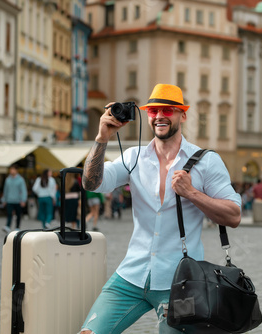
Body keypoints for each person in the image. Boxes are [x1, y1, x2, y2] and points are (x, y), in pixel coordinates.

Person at [79, 83, 241, 334]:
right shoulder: (134, 158)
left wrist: (192, 193)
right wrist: (102, 138)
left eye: (168, 109)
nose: (160, 116)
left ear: (182, 115)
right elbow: (91, 183)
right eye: (154, 111)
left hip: (182, 284)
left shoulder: (206, 161)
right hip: (130, 276)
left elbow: (234, 215)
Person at [1, 165, 27, 233]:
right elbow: (5, 190)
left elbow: (23, 190)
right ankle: (8, 226)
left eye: (12, 170)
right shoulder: (8, 180)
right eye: (10, 170)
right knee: (9, 213)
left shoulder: (20, 180)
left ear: (16, 170)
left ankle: (17, 227)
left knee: (18, 214)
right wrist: (4, 199)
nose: (11, 171)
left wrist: (23, 200)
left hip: (18, 200)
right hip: (9, 200)